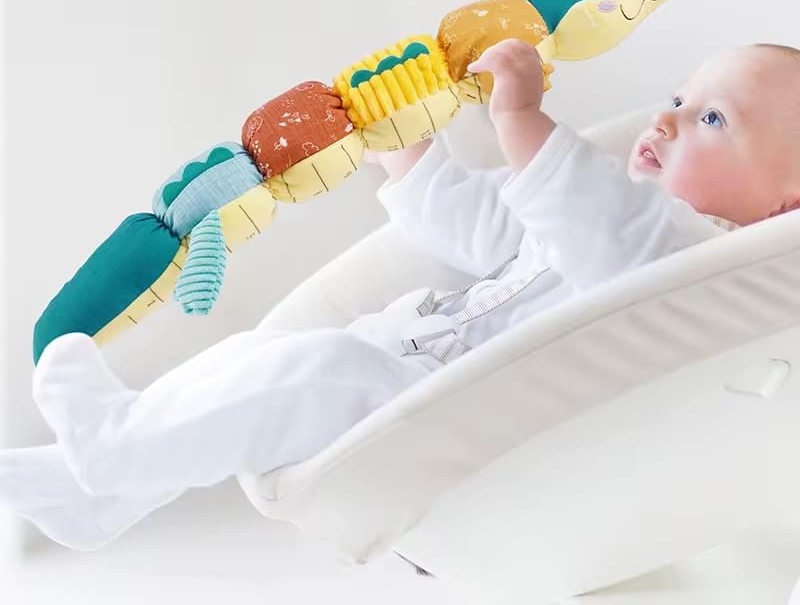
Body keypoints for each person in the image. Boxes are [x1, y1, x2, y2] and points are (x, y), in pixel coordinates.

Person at [2, 39, 799, 550]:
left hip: (442, 405)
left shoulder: (693, 254)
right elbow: (486, 222)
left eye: (714, 119)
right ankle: (97, 486)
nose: (666, 121)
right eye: (679, 98)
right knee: (256, 360)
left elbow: (589, 214)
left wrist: (520, 115)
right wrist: (407, 149)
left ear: (783, 205)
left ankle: (109, 446)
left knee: (308, 371)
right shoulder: (609, 212)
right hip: (396, 361)